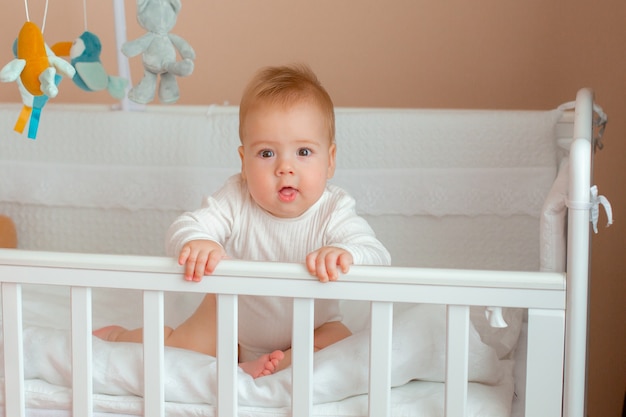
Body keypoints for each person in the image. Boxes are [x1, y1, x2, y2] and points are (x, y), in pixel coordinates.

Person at [94, 64, 391, 378]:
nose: (285, 167)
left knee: (343, 343)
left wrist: (346, 254)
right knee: (174, 348)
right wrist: (200, 242)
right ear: (244, 162)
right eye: (266, 154)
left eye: (303, 151)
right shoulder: (236, 196)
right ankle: (118, 336)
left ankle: (280, 362)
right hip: (232, 321)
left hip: (310, 328)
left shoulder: (334, 209)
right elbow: (185, 227)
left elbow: (378, 257)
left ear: (330, 160)